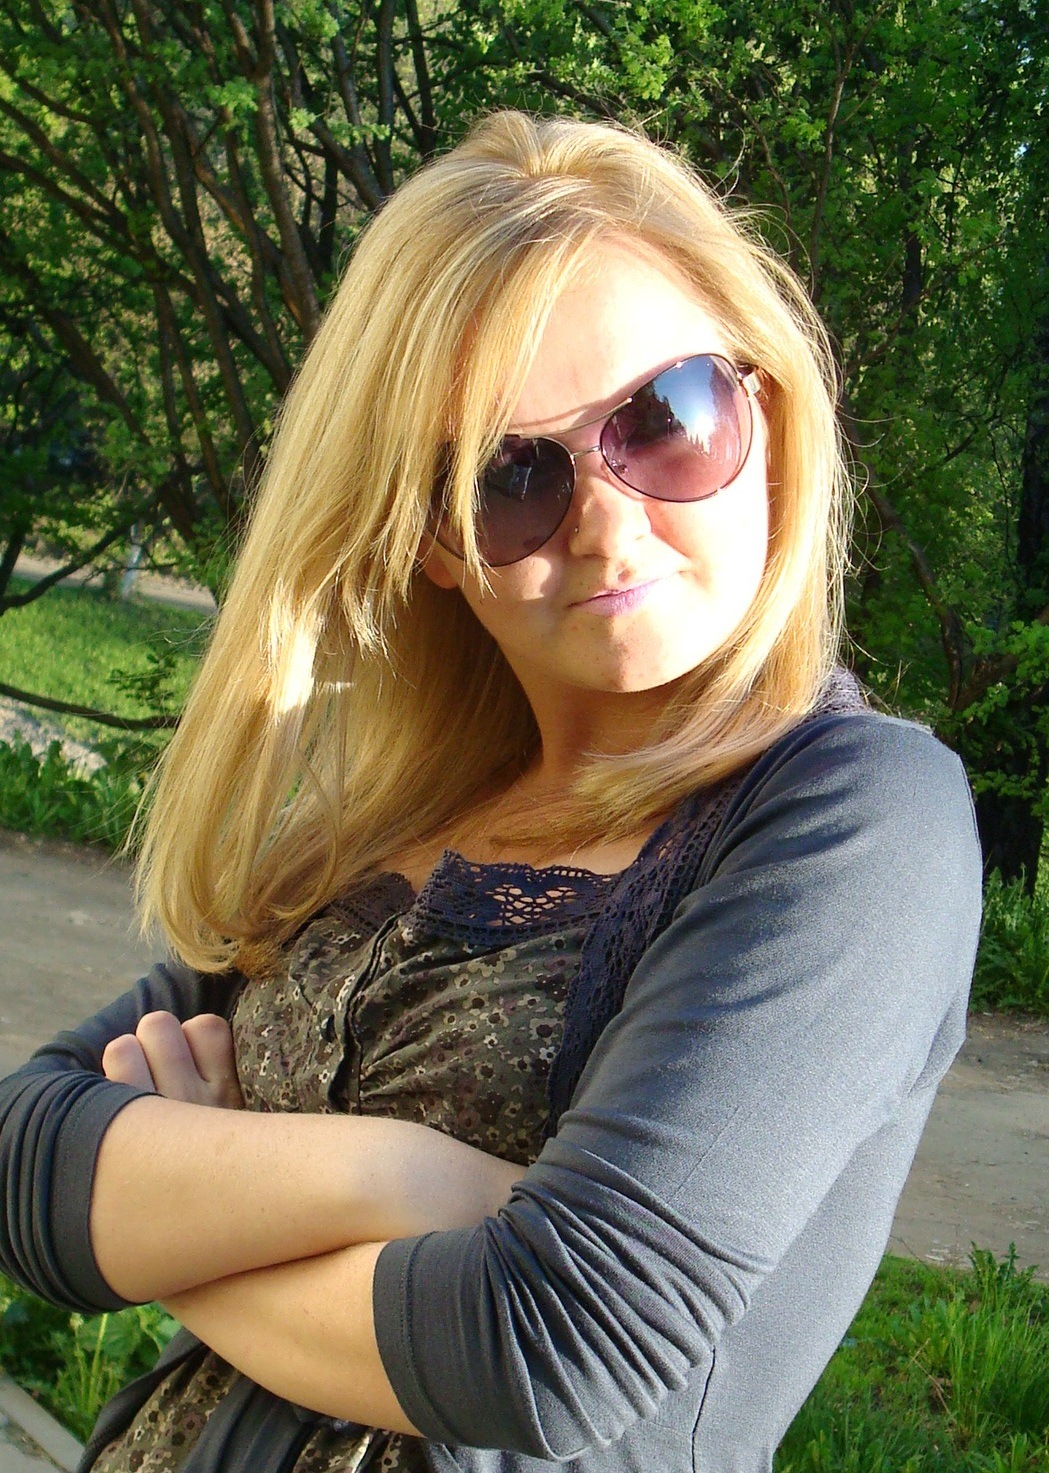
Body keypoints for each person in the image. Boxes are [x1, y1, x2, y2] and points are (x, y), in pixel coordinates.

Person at [0, 110, 981, 1473]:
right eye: (509, 477)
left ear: (764, 410)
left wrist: (182, 1206)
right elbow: (25, 1163)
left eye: (665, 419)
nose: (608, 523)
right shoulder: (388, 824)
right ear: (431, 541)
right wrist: (395, 1173)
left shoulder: (854, 816)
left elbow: (545, 1345)